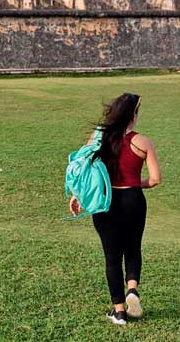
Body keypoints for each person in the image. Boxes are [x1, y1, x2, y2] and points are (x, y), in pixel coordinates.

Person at [69, 93, 161, 325]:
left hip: (105, 201)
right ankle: (132, 290)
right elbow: (155, 179)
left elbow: (84, 173)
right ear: (132, 115)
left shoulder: (98, 138)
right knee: (133, 248)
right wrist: (133, 184)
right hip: (133, 201)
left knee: (112, 257)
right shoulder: (143, 142)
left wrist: (77, 196)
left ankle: (119, 312)